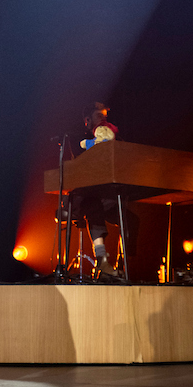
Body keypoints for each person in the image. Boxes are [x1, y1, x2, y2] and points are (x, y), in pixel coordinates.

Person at [71, 102, 138, 279]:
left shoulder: (114, 137)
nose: (103, 119)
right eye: (99, 115)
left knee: (131, 220)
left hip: (108, 196)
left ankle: (123, 266)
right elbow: (80, 164)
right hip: (86, 195)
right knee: (93, 206)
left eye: (105, 116)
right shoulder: (79, 138)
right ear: (87, 120)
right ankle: (102, 260)